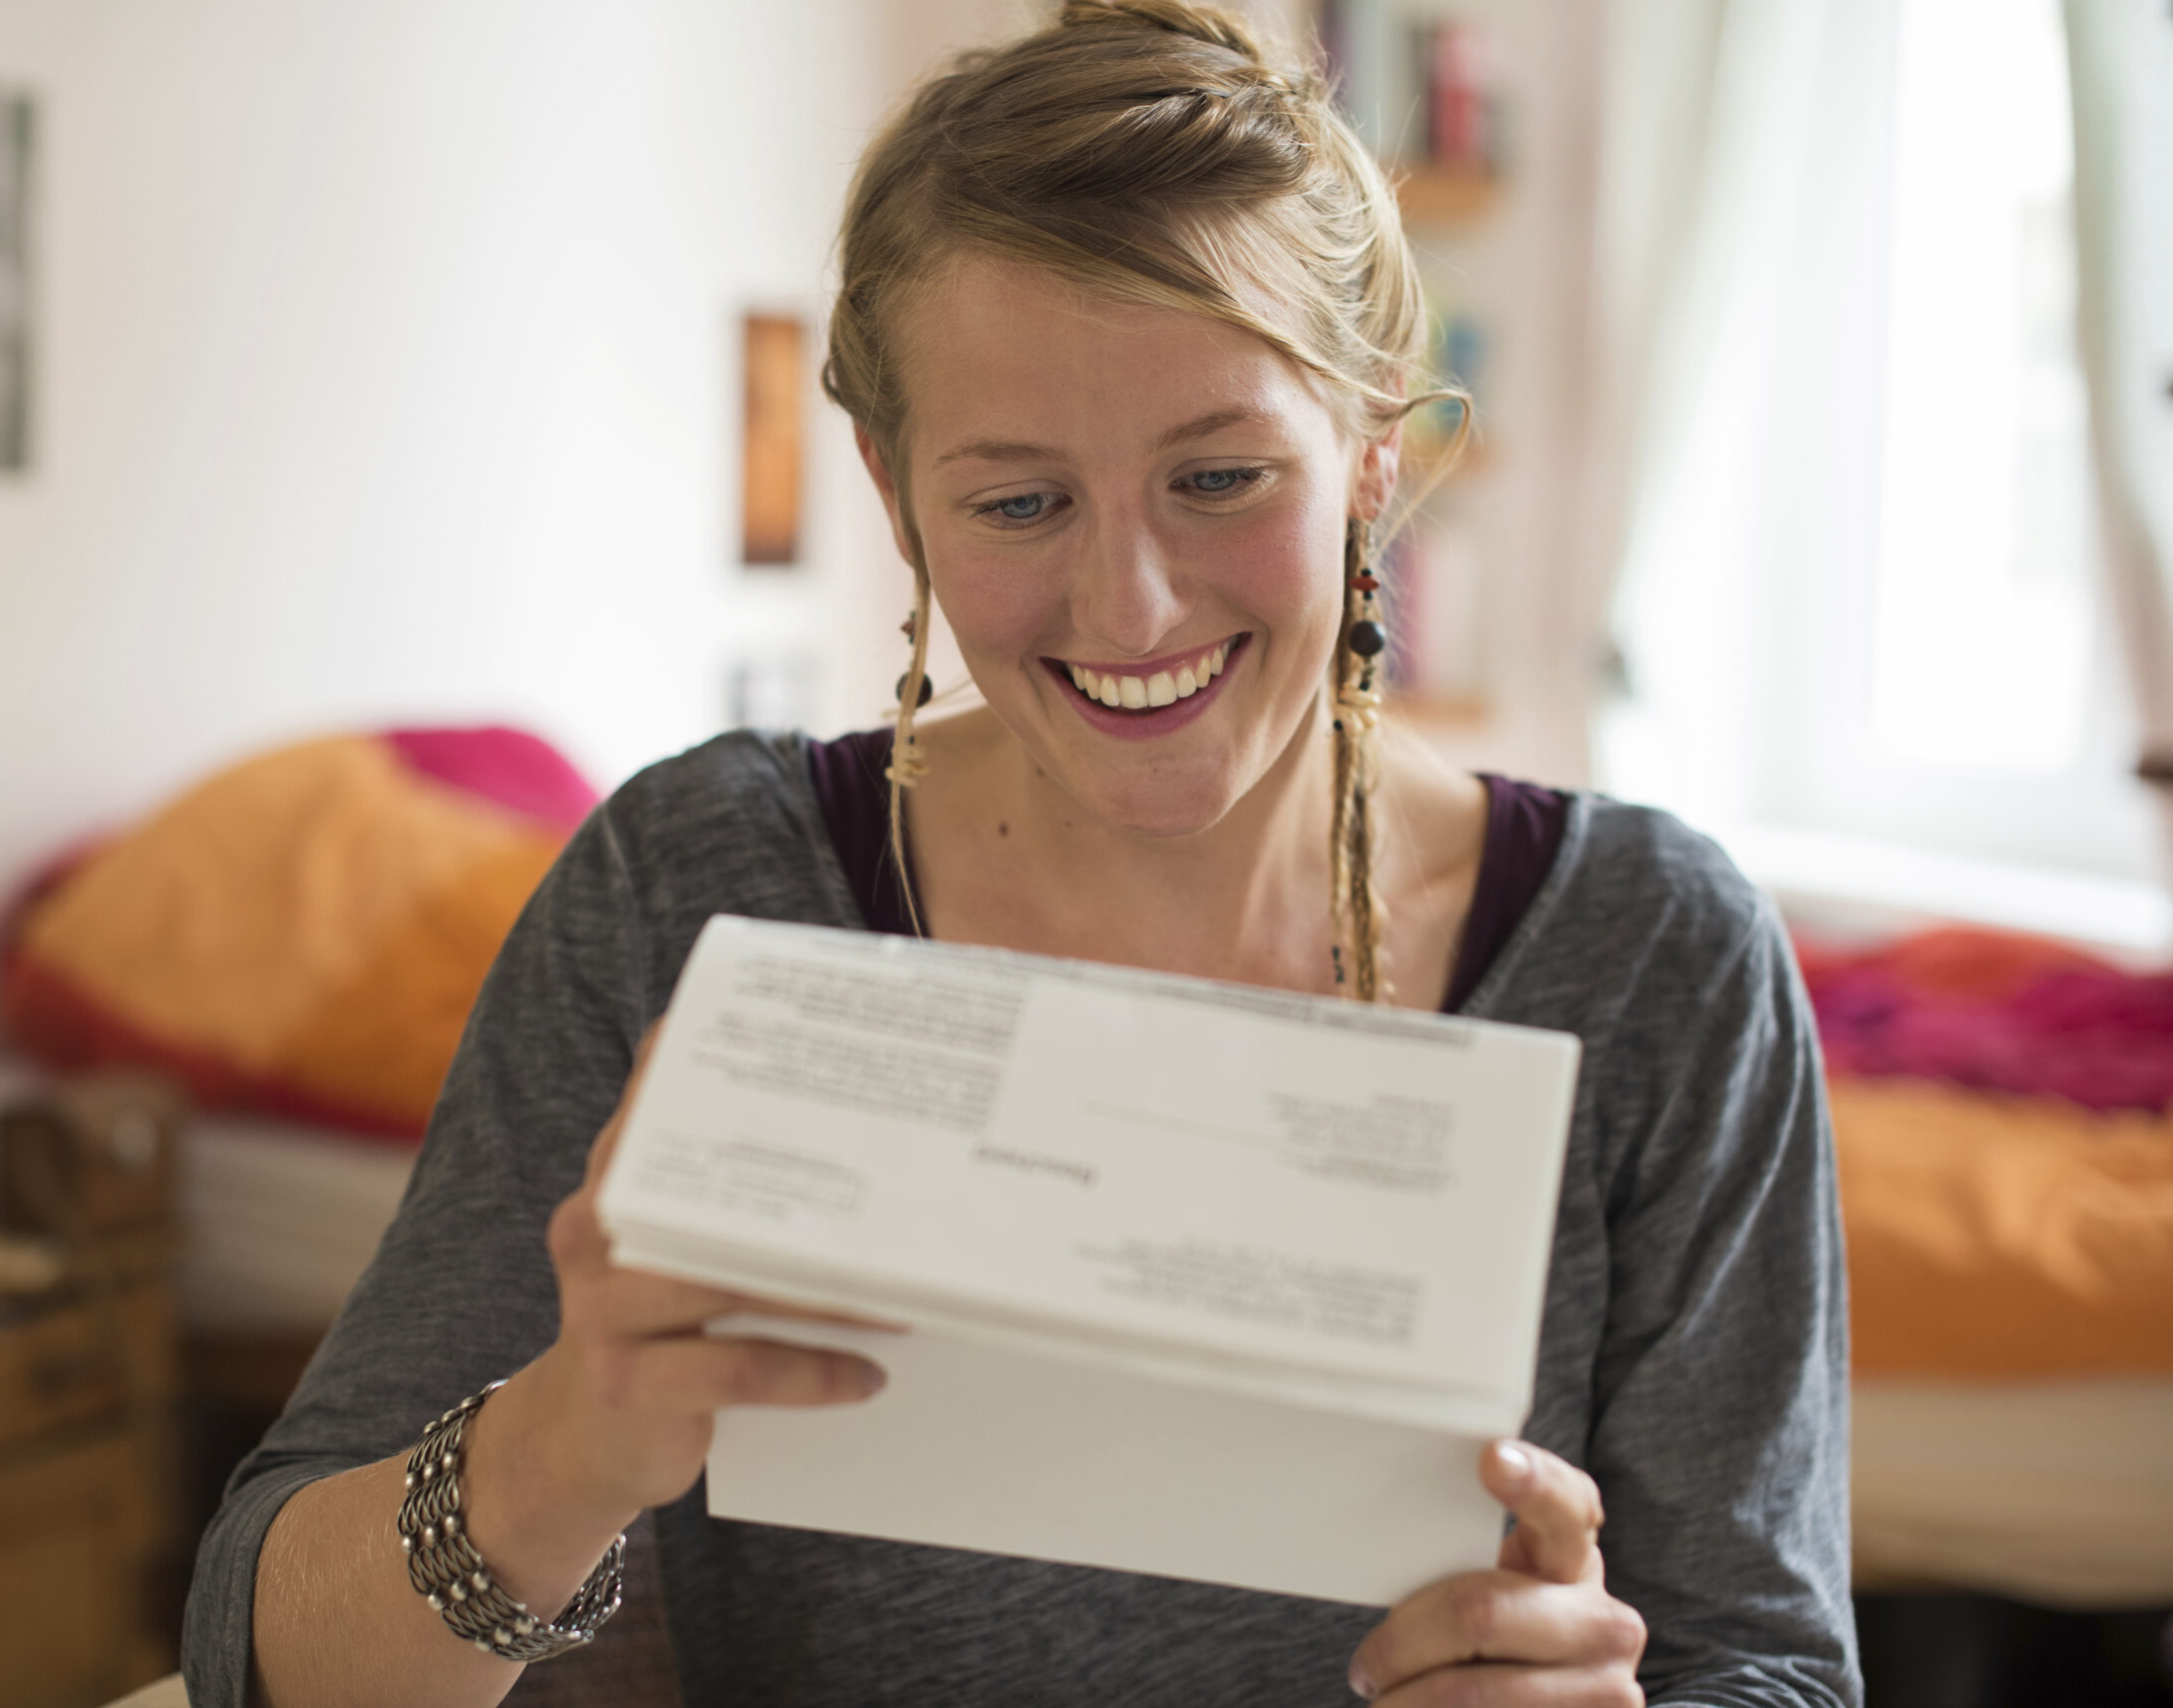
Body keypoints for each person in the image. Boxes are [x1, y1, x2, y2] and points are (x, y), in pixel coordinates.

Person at [182, 4, 1856, 1704]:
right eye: (1016, 502)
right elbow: (257, 1654)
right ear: (897, 498)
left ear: (1370, 452)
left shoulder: (1657, 957)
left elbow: (1776, 1666)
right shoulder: (695, 889)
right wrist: (556, 1451)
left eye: (1218, 476)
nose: (1129, 606)